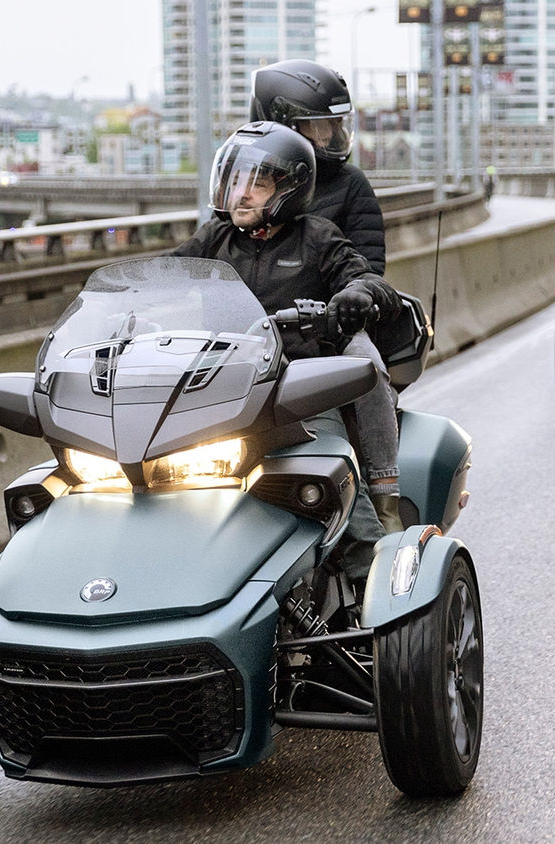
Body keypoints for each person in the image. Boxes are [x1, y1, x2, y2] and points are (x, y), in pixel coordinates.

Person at [170, 121, 401, 578]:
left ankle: (375, 574)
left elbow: (368, 279)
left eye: (256, 184)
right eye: (235, 181)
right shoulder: (214, 239)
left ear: (290, 188)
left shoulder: (317, 237)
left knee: (330, 481)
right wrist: (121, 296)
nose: (241, 194)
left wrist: (358, 293)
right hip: (226, 385)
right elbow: (166, 274)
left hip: (299, 388)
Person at [249, 59, 404, 534]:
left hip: (331, 328)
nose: (331, 137)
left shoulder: (348, 187)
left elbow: (367, 267)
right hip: (253, 334)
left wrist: (352, 299)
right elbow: (201, 268)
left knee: (367, 367)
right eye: (319, 127)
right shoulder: (249, 184)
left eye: (335, 126)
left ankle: (385, 494)